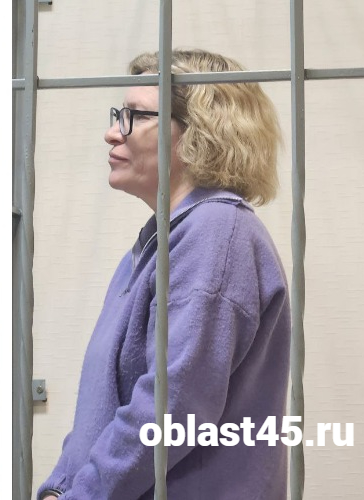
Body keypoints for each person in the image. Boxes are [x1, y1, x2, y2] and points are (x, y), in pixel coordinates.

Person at [38, 49, 291, 499]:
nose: (112, 132)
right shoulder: (159, 242)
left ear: (200, 132)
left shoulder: (216, 233)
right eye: (119, 115)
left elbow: (170, 407)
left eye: (135, 116)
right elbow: (103, 410)